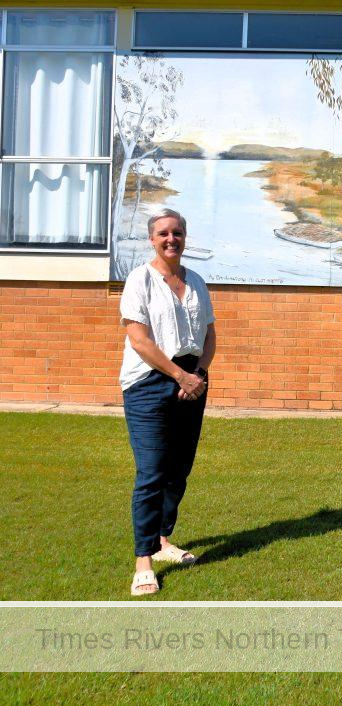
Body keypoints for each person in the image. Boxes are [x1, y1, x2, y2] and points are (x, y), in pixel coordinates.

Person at [120, 208, 216, 595]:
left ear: (185, 236)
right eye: (163, 233)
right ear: (152, 239)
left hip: (192, 382)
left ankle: (162, 541)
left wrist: (199, 376)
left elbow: (209, 335)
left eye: (177, 232)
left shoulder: (196, 281)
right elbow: (139, 339)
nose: (171, 238)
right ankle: (143, 560)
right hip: (149, 383)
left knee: (179, 470)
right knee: (152, 472)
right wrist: (179, 376)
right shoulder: (139, 279)